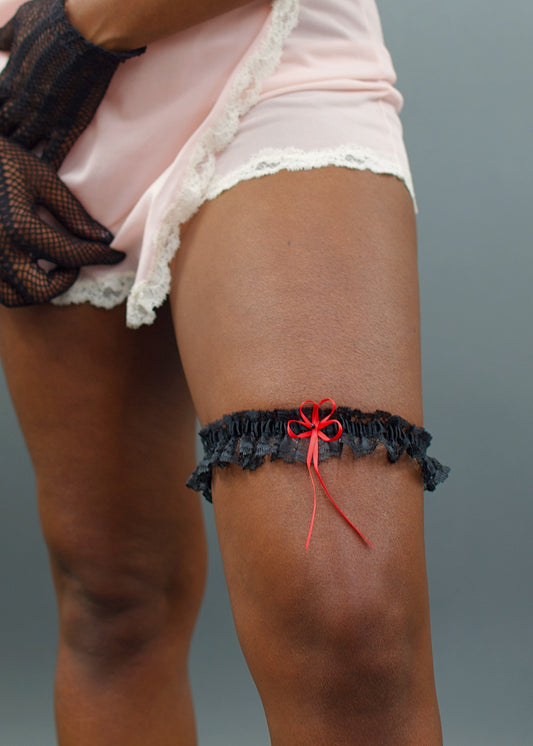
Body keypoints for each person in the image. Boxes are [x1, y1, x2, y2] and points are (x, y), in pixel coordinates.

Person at [0, 0, 450, 743]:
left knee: (348, 617)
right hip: (32, 112)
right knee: (112, 602)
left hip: (268, 60)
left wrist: (83, 27)